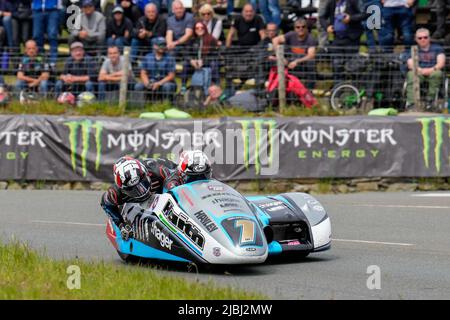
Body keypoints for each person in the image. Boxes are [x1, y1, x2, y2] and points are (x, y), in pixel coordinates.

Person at [100, 156, 177, 238]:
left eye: (143, 183)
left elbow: (176, 174)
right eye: (133, 190)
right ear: (122, 188)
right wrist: (120, 224)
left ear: (146, 174)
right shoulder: (114, 193)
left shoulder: (158, 171)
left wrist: (171, 190)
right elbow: (105, 203)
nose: (142, 191)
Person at [319, 0, 365, 83]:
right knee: (337, 66)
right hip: (337, 39)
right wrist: (327, 27)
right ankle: (337, 90)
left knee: (353, 67)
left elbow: (364, 14)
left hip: (352, 38)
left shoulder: (353, 1)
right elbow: (321, 17)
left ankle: (354, 90)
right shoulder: (331, 3)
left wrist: (351, 18)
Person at [405, 28, 446, 109]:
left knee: (437, 73)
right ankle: (412, 103)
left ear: (429, 38)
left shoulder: (437, 48)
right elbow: (410, 64)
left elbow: (441, 63)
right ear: (416, 39)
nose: (423, 39)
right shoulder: (412, 49)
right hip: (419, 71)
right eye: (420, 38)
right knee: (411, 74)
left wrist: (430, 70)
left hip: (433, 71)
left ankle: (430, 101)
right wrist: (420, 70)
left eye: (425, 37)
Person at [272, 18, 317, 89]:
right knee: (273, 60)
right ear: (295, 29)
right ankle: (276, 87)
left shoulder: (310, 39)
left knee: (311, 63)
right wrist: (281, 58)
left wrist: (296, 61)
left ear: (306, 28)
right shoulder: (290, 35)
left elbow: (311, 55)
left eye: (303, 27)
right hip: (289, 61)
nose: (300, 29)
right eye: (298, 27)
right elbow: (275, 40)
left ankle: (308, 90)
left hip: (302, 63)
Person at [180, 21, 219, 93]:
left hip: (207, 62)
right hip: (194, 63)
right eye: (197, 28)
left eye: (201, 27)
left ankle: (216, 86)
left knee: (214, 64)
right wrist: (191, 60)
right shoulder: (191, 40)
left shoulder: (211, 39)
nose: (199, 29)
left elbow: (214, 54)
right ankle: (183, 86)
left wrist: (203, 61)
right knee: (185, 64)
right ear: (194, 30)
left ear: (205, 29)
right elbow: (186, 53)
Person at [134, 37, 177, 102]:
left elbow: (171, 76)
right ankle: (144, 103)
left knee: (167, 86)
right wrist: (147, 83)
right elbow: (143, 73)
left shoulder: (170, 58)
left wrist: (159, 83)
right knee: (138, 86)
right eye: (160, 45)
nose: (162, 47)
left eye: (164, 45)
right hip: (150, 82)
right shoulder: (147, 57)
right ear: (154, 46)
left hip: (164, 83)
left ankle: (166, 104)